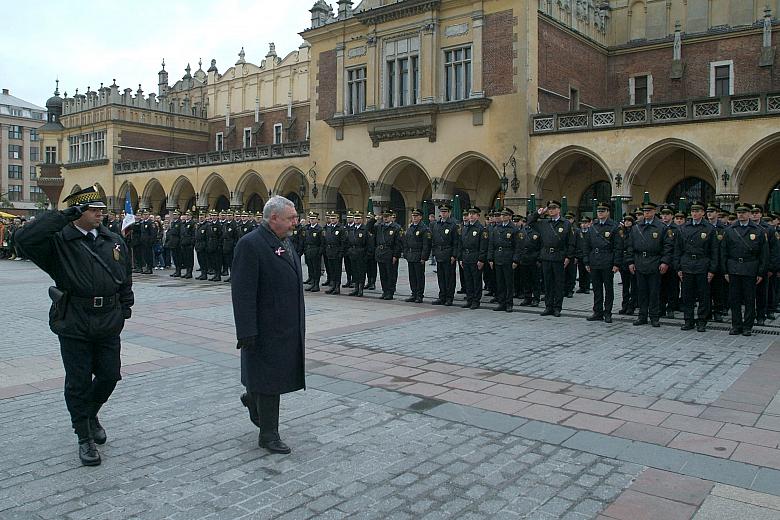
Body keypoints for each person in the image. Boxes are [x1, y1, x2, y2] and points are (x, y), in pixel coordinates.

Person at [14, 185, 134, 466]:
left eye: (102, 210)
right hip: (74, 320)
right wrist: (63, 216)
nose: (99, 214)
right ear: (77, 212)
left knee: (109, 375)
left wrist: (125, 308)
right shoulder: (58, 242)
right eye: (93, 210)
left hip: (108, 320)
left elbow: (124, 276)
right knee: (78, 382)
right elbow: (24, 238)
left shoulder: (112, 240)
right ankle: (84, 437)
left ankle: (90, 414)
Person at [231, 196, 305, 454]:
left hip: (285, 326)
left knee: (270, 377)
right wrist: (247, 331)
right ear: (273, 218)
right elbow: (242, 292)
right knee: (270, 380)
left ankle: (252, 398)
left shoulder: (284, 241)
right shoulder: (251, 244)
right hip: (264, 328)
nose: (295, 222)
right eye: (291, 218)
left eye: (295, 217)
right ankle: (269, 434)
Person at [722, 203, 768, 336]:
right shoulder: (730, 230)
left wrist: (761, 272)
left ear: (749, 214)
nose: (741, 215)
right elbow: (724, 252)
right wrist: (725, 271)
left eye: (744, 212)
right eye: (739, 212)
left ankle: (748, 326)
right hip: (734, 268)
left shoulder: (758, 230)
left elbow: (763, 254)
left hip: (750, 268)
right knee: (734, 299)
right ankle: (736, 325)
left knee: (749, 299)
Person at [626, 201, 674, 327]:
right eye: (645, 211)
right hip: (640, 261)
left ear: (654, 212)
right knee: (641, 291)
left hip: (654, 262)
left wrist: (664, 262)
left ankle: (654, 317)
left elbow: (668, 247)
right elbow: (630, 246)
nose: (647, 213)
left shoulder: (661, 227)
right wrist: (630, 262)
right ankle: (642, 316)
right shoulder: (636, 227)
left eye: (649, 211)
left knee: (654, 292)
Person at [674, 201, 718, 332]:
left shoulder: (709, 228)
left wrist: (712, 269)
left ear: (703, 213)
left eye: (698, 211)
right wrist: (678, 267)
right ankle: (688, 320)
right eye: (693, 211)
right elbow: (678, 249)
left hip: (702, 264)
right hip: (687, 264)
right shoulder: (683, 228)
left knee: (704, 295)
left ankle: (702, 321)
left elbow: (714, 251)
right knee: (687, 295)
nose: (695, 214)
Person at [527, 200, 575, 317]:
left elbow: (571, 243)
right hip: (547, 256)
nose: (551, 210)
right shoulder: (544, 223)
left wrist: (569, 257)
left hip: (559, 256)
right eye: (549, 208)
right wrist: (538, 213)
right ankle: (548, 306)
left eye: (554, 208)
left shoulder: (566, 223)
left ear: (559, 209)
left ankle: (557, 307)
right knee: (547, 283)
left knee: (558, 283)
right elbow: (530, 222)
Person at [583, 202, 622, 323]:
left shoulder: (614, 226)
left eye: (603, 211)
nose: (600, 213)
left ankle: (608, 312)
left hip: (607, 260)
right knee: (596, 288)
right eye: (599, 211)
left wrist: (616, 263)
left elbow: (618, 247)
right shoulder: (593, 226)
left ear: (608, 212)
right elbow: (586, 245)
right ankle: (597, 311)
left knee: (608, 288)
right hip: (594, 260)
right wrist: (586, 261)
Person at [488, 208, 520, 312]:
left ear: (510, 217)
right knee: (500, 282)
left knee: (508, 282)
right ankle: (501, 302)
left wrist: (515, 260)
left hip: (508, 257)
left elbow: (517, 246)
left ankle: (509, 303)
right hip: (498, 257)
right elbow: (491, 244)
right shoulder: (496, 228)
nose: (503, 217)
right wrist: (490, 258)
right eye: (502, 215)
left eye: (506, 215)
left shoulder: (514, 229)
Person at [459, 206, 489, 309]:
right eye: (469, 214)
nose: (470, 215)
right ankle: (469, 298)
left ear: (478, 216)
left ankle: (476, 300)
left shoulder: (481, 229)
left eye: (473, 214)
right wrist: (461, 258)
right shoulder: (465, 227)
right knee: (468, 280)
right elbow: (461, 244)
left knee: (476, 280)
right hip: (466, 257)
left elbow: (483, 246)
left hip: (475, 257)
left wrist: (481, 259)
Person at [430, 203, 458, 306]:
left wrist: (454, 255)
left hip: (448, 253)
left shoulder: (453, 224)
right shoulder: (436, 224)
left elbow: (456, 242)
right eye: (442, 211)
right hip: (439, 253)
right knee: (441, 277)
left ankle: (449, 297)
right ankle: (442, 296)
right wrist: (434, 253)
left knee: (449, 277)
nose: (443, 213)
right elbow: (433, 240)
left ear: (449, 212)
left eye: (445, 212)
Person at [402, 208, 431, 303]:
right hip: (410, 255)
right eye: (413, 216)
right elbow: (405, 242)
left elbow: (426, 245)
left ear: (420, 217)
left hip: (418, 255)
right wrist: (406, 254)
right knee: (412, 276)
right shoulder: (410, 228)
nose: (414, 217)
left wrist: (423, 257)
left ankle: (419, 295)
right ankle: (413, 293)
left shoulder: (424, 229)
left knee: (419, 276)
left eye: (416, 216)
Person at [374, 210, 402, 300]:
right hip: (381, 253)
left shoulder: (396, 227)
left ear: (391, 217)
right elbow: (369, 228)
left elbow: (398, 243)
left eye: (387, 216)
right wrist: (374, 219)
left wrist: (396, 255)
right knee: (383, 274)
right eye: (384, 216)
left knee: (391, 274)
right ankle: (385, 291)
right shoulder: (380, 226)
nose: (385, 218)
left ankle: (390, 292)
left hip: (390, 253)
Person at [323, 212, 346, 294]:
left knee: (337, 270)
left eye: (334, 218)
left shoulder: (341, 228)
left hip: (337, 252)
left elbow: (343, 242)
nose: (332, 220)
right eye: (331, 219)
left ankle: (337, 287)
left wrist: (341, 253)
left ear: (337, 219)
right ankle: (332, 285)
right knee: (331, 270)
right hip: (329, 252)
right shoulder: (329, 228)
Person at [303, 211, 324, 292]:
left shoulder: (319, 229)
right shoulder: (307, 228)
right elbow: (305, 240)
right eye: (310, 218)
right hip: (308, 250)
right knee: (311, 268)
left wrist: (319, 252)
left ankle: (316, 285)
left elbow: (322, 243)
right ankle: (312, 283)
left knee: (316, 269)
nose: (311, 220)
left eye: (313, 219)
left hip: (315, 250)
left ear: (317, 220)